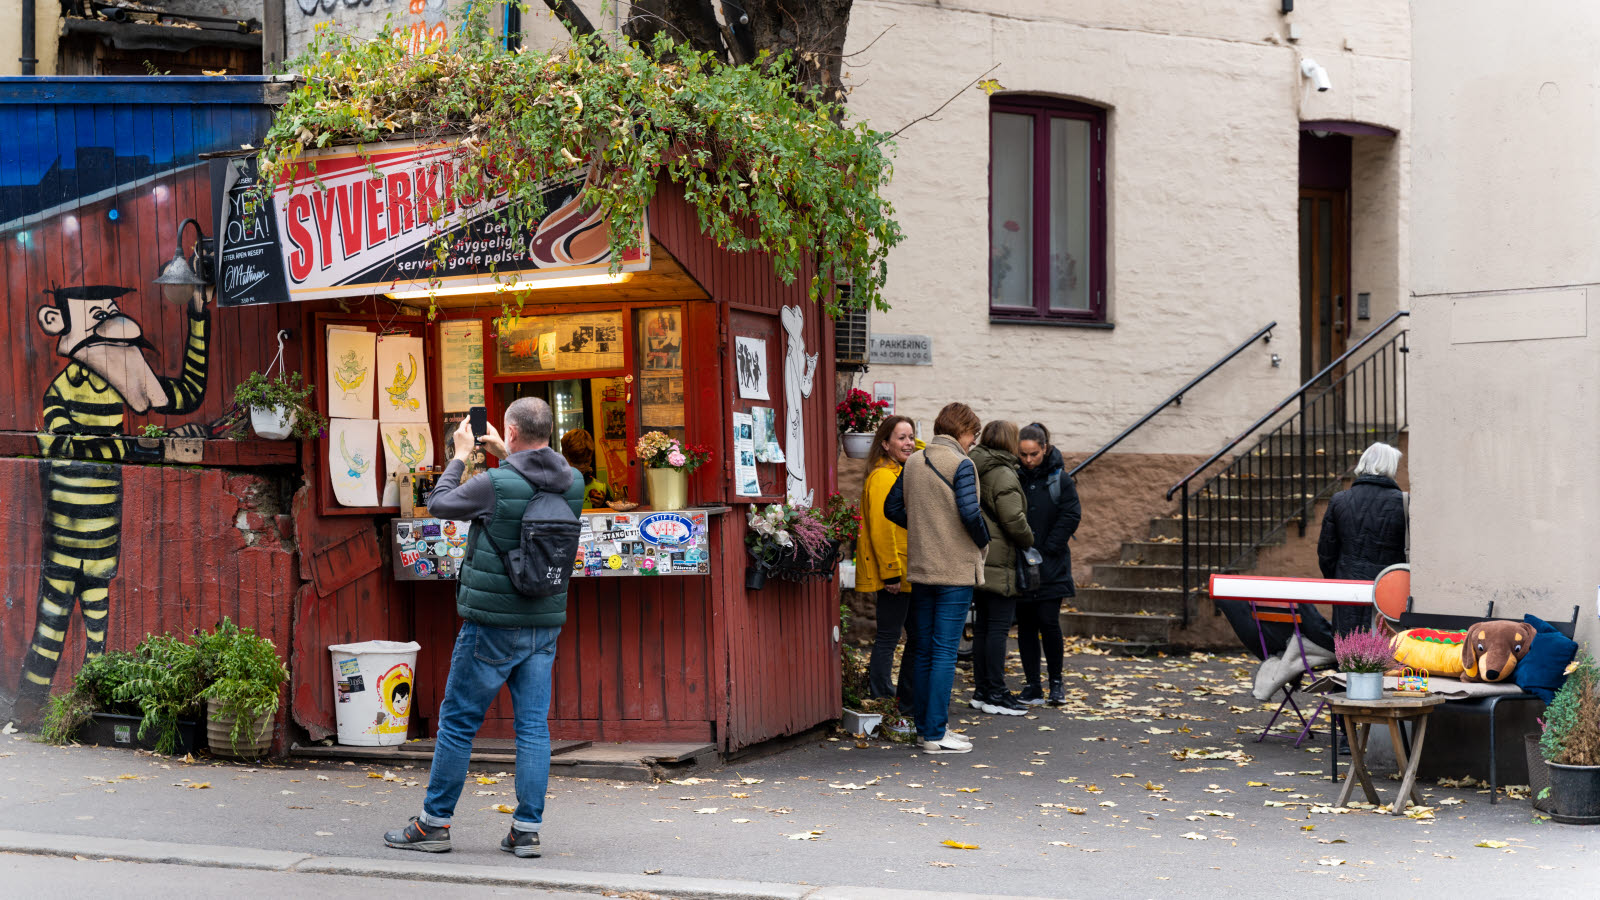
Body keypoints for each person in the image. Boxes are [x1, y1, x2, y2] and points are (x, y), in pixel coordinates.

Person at [384, 397, 584, 859]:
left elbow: (437, 502)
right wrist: (504, 455)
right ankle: (526, 831)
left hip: (492, 625)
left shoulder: (493, 482)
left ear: (511, 433)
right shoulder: (574, 484)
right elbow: (528, 489)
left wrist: (459, 454)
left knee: (456, 724)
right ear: (547, 432)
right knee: (533, 727)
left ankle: (433, 824)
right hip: (544, 625)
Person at [885, 402, 990, 754]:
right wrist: (983, 540)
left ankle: (924, 729)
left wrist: (925, 530)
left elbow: (892, 508)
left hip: (923, 567)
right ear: (961, 431)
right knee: (946, 651)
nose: (973, 441)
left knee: (925, 648)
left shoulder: (914, 460)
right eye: (972, 433)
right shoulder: (961, 463)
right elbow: (970, 513)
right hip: (954, 569)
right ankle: (935, 733)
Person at [966, 420, 1035, 716]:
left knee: (982, 628)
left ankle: (982, 691)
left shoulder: (973, 466)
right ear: (1009, 442)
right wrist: (1029, 538)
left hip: (981, 558)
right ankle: (995, 693)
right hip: (1000, 561)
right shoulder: (1003, 472)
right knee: (996, 629)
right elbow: (1013, 519)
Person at [1015, 423, 1081, 706]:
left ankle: (1056, 683)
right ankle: (1033, 685)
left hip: (1051, 565)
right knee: (1026, 626)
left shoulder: (1060, 479)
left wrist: (1047, 547)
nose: (1028, 460)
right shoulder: (1014, 476)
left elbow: (1071, 514)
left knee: (1049, 623)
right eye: (1023, 455)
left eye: (1033, 454)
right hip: (1021, 565)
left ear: (1045, 448)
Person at [858, 414, 918, 709]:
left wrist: (911, 445)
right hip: (896, 571)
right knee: (889, 635)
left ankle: (884, 689)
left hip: (904, 568)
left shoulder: (898, 470)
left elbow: (921, 448)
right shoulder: (883, 477)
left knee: (895, 633)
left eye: (911, 437)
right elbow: (882, 530)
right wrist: (891, 574)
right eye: (901, 438)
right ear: (884, 443)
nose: (909, 443)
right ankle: (881, 691)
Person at [1317, 441, 1407, 635]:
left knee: (1349, 646)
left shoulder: (1339, 500)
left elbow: (1326, 552)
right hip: (1390, 587)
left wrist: (1338, 578)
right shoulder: (1403, 503)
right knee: (1386, 645)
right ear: (1391, 466)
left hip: (1347, 584)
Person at [558, 427, 608, 508]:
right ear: (565, 457)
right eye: (576, 463)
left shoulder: (601, 488)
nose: (582, 467)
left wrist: (602, 505)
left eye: (586, 462)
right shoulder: (555, 486)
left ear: (591, 457)